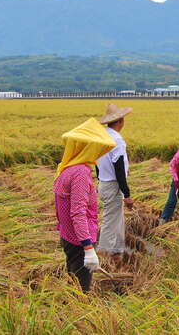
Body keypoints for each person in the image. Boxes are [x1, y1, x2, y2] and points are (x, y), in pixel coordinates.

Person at [53, 117, 116, 293]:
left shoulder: (67, 168)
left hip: (69, 236)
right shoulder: (80, 173)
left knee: (73, 279)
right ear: (88, 149)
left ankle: (70, 308)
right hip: (79, 239)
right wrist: (88, 248)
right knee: (82, 288)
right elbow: (77, 213)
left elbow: (61, 209)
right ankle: (79, 316)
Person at [95, 103, 133, 257]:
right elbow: (119, 170)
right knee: (111, 220)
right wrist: (127, 194)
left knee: (117, 218)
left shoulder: (101, 136)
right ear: (120, 121)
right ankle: (104, 254)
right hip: (112, 185)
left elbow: (96, 164)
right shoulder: (117, 140)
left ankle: (117, 249)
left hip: (103, 183)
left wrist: (100, 179)